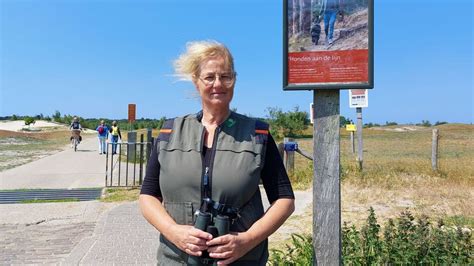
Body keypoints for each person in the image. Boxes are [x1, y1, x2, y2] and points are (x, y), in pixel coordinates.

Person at [139, 40, 295, 265]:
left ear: (234, 80)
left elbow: (284, 200)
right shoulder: (170, 132)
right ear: (196, 81)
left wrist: (247, 240)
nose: (218, 84)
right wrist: (173, 232)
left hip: (242, 260)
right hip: (177, 259)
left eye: (226, 76)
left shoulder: (257, 134)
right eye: (209, 77)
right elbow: (148, 196)